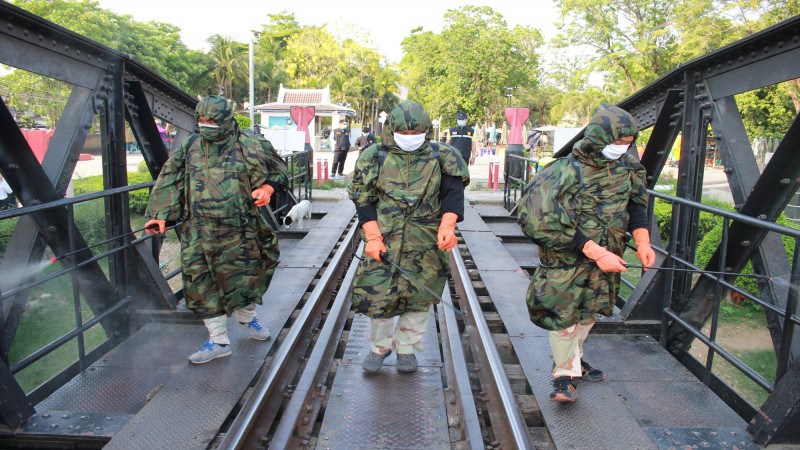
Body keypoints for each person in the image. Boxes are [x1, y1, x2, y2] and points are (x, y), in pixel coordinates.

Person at [517, 103, 656, 402]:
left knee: (589, 313)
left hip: (607, 258)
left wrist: (643, 242)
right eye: (616, 143)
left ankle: (574, 360)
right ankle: (564, 375)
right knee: (565, 316)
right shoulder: (563, 171)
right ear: (596, 137)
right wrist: (593, 250)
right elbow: (539, 219)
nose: (621, 149)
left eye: (627, 144)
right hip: (567, 260)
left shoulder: (629, 169)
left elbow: (636, 206)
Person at [144, 95, 288, 364]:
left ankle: (247, 319)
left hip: (242, 228)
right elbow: (169, 178)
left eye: (212, 122)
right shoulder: (191, 146)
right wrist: (159, 215)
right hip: (199, 230)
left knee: (247, 276)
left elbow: (278, 169)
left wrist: (268, 188)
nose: (205, 126)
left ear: (226, 120)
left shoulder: (251, 143)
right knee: (201, 282)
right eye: (201, 121)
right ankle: (218, 340)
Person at [348, 100, 470, 373]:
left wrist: (447, 226)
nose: (411, 138)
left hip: (425, 239)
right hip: (385, 236)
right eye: (405, 133)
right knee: (379, 293)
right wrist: (372, 236)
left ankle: (406, 349)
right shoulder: (374, 155)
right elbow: (363, 198)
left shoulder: (444, 155)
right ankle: (379, 348)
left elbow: (453, 194)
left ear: (427, 129)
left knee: (420, 296)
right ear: (391, 129)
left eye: (417, 134)